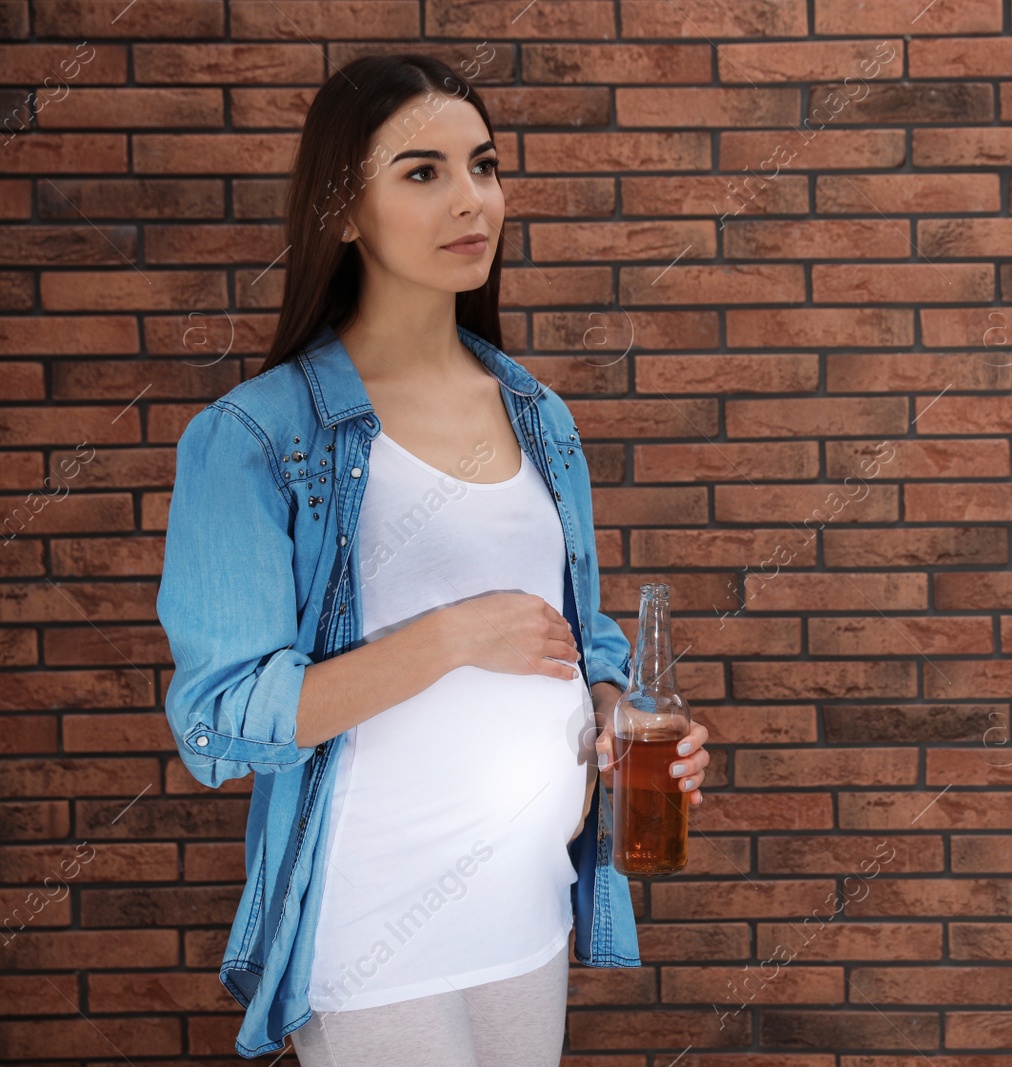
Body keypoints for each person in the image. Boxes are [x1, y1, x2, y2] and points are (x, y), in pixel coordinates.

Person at [155, 54, 709, 1064]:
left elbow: (581, 633)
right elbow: (218, 721)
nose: (472, 201)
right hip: (374, 925)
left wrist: (610, 707)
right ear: (343, 212)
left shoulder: (539, 416)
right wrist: (453, 637)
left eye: (484, 166)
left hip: (525, 907)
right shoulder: (254, 437)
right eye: (422, 172)